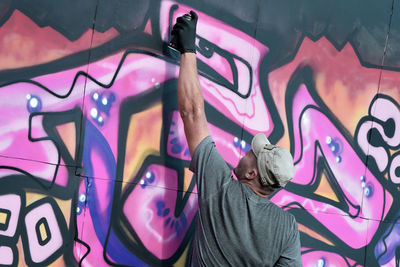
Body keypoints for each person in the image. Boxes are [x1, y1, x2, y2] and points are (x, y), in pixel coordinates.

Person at [171, 10, 302, 266]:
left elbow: (192, 113)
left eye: (251, 154)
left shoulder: (220, 187)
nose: (245, 153)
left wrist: (188, 50)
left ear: (252, 174)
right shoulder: (287, 228)